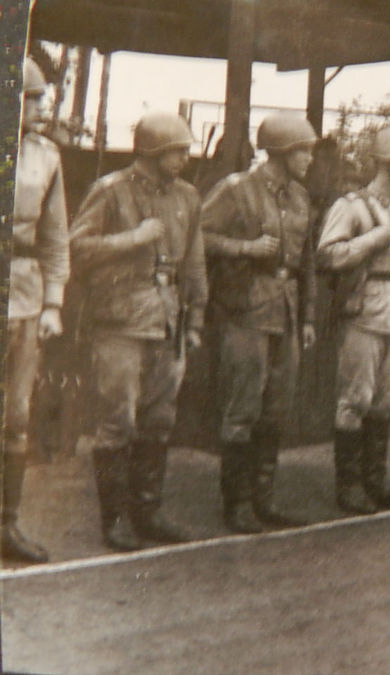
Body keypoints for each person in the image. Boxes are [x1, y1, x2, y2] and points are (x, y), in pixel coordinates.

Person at [70, 112, 207, 550]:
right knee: (117, 421)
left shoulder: (187, 196)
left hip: (168, 320)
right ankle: (114, 521)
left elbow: (195, 263)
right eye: (177, 150)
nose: (185, 157)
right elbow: (78, 249)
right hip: (120, 321)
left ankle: (148, 512)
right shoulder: (111, 191)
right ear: (151, 150)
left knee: (159, 420)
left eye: (187, 149)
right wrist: (134, 238)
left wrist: (196, 319)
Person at [201, 112, 317, 533]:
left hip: (284, 313)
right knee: (242, 408)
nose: (309, 158)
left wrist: (306, 317)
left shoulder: (300, 197)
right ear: (283, 152)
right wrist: (245, 248)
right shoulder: (236, 190)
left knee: (276, 410)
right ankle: (237, 505)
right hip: (244, 310)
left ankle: (263, 500)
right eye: (303, 151)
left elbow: (305, 263)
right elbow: (198, 237)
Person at [316, 127, 390, 514]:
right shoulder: (353, 206)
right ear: (383, 164)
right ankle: (348, 486)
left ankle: (374, 482)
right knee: (355, 399)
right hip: (364, 311)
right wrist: (370, 241)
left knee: (386, 402)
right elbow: (327, 256)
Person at [2, 57, 69, 564]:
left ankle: (7, 525)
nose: (41, 108)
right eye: (31, 98)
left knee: (17, 415)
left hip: (24, 295)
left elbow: (54, 236)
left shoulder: (47, 156)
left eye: (42, 98)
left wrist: (52, 303)